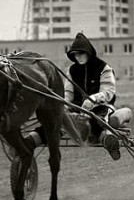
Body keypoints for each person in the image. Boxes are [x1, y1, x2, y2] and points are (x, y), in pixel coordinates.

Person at [25, 32, 122, 160]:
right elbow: (68, 94)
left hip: (101, 107)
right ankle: (31, 141)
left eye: (80, 53)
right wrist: (63, 106)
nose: (77, 57)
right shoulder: (72, 70)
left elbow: (108, 92)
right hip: (76, 107)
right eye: (75, 54)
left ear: (88, 52)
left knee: (96, 122)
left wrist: (92, 100)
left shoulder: (104, 68)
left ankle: (109, 141)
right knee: (57, 121)